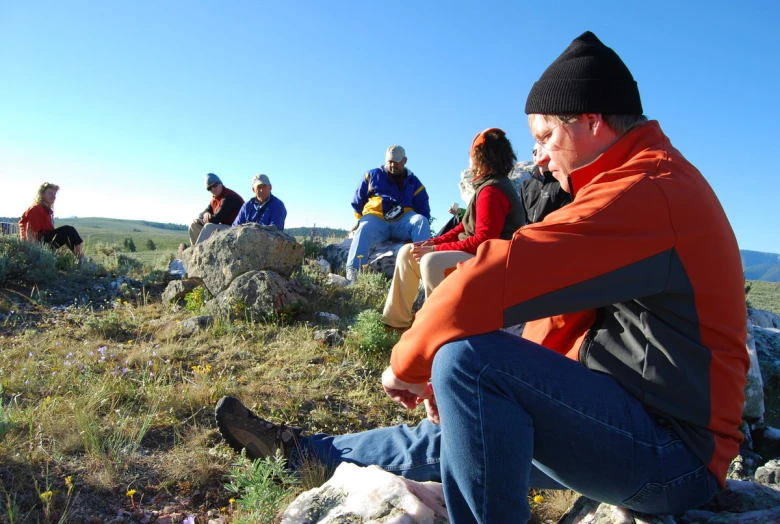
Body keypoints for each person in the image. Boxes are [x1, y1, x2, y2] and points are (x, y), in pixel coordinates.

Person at [215, 31, 748, 523]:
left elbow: (504, 270)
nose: (539, 159)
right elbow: (557, 315)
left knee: (467, 364)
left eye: (544, 135)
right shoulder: (638, 181)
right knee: (455, 425)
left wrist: (407, 363)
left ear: (590, 121)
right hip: (630, 426)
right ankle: (305, 450)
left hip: (673, 455)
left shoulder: (648, 190)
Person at [383, 128, 526, 330]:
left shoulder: (492, 191)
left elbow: (484, 241)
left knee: (433, 262)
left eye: (471, 155)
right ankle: (396, 323)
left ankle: (439, 329)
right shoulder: (487, 186)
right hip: (480, 255)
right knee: (409, 251)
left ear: (480, 157)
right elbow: (463, 227)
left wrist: (433, 250)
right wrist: (431, 242)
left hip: (494, 264)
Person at [346, 145, 431, 283]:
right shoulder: (371, 175)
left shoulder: (414, 182)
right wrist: (360, 220)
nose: (393, 165)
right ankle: (353, 273)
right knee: (364, 226)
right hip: (376, 219)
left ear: (405, 161)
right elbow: (357, 202)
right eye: (390, 161)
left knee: (421, 221)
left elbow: (424, 209)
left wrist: (418, 232)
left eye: (396, 161)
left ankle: (424, 272)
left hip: (403, 222)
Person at [19, 182, 84, 258]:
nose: (53, 196)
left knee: (69, 231)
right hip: (36, 245)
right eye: (50, 193)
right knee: (68, 230)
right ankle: (82, 259)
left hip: (43, 242)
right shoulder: (36, 209)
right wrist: (33, 253)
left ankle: (81, 258)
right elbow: (30, 232)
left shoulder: (46, 210)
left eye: (54, 194)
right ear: (42, 194)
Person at [187, 173, 244, 246]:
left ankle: (199, 252)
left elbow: (216, 219)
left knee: (209, 226)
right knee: (194, 224)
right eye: (209, 188)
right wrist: (206, 213)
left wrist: (208, 216)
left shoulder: (229, 197)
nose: (212, 189)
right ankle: (195, 250)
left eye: (214, 185)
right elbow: (202, 214)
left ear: (221, 184)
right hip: (224, 227)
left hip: (236, 229)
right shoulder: (215, 198)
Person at [521, 144, 572, 224]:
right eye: (533, 151)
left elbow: (567, 212)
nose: (535, 154)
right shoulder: (527, 184)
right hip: (531, 233)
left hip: (554, 232)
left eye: (538, 150)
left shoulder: (561, 180)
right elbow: (523, 216)